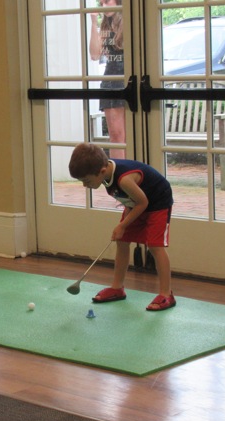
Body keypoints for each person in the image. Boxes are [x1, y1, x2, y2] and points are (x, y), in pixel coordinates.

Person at [68, 143, 175, 311]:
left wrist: (123, 225)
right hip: (136, 204)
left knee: (155, 246)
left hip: (157, 203)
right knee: (122, 241)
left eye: (86, 181)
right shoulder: (103, 172)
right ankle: (117, 288)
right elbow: (133, 201)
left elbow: (143, 202)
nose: (85, 186)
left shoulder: (124, 179)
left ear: (102, 172)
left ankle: (166, 294)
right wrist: (124, 227)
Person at [89, 0, 126, 156]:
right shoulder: (104, 25)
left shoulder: (127, 20)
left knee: (129, 134)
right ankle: (119, 174)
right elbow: (95, 54)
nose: (104, 6)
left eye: (107, 1)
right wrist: (93, 23)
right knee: (116, 135)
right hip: (111, 79)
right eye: (101, 3)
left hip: (128, 77)